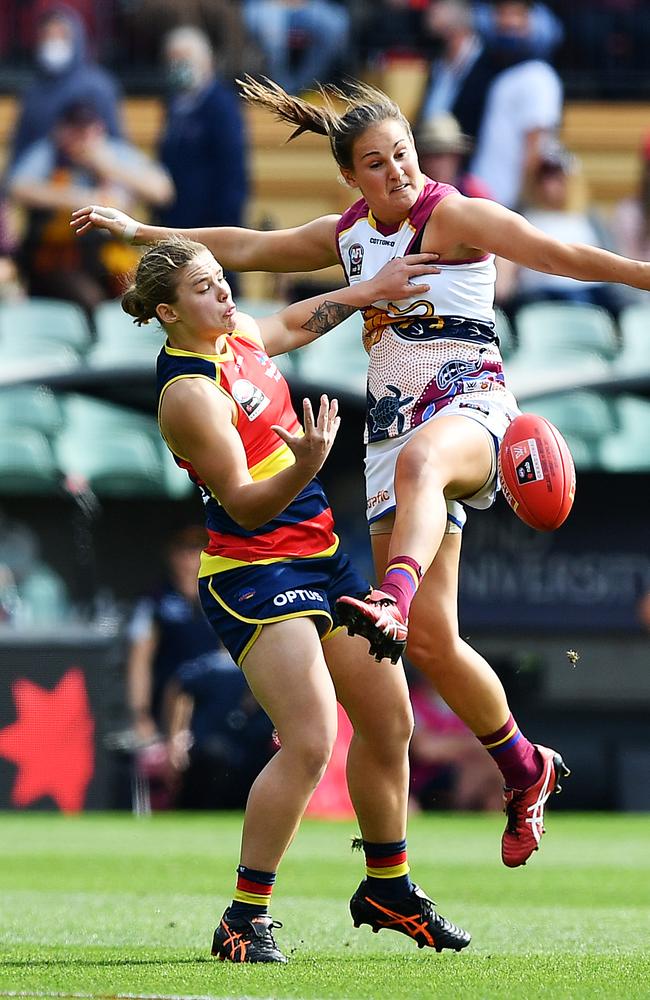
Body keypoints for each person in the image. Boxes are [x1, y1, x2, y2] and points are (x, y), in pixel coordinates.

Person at [70, 77, 650, 870]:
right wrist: (139, 228)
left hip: (469, 400)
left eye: (403, 155)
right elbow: (242, 245)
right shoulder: (349, 236)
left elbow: (566, 254)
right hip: (389, 429)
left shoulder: (452, 215)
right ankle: (524, 767)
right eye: (376, 164)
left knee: (421, 478)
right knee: (434, 646)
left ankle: (393, 595)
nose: (397, 173)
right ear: (351, 176)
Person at [117, 234, 469, 962]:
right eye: (206, 288)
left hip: (320, 554)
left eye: (221, 280)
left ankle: (388, 887)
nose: (225, 293)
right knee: (310, 739)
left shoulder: (236, 334)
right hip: (251, 573)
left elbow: (290, 324)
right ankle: (243, 918)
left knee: (389, 720)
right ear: (167, 312)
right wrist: (307, 460)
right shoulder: (187, 394)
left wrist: (372, 291)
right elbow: (244, 504)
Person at [8, 98, 173, 317]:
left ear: (100, 129)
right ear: (61, 131)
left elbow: (163, 191)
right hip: (60, 259)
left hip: (111, 254)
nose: (82, 138)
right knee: (89, 299)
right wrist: (78, 198)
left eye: (88, 130)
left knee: (147, 292)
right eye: (75, 130)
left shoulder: (113, 153)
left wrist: (109, 168)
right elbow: (19, 187)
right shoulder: (49, 154)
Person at [157, 27, 248, 292]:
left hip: (214, 225)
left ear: (206, 61)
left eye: (184, 59)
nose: (177, 66)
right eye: (172, 60)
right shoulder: (174, 104)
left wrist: (224, 228)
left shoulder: (221, 106)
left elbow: (232, 171)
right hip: (178, 224)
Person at [495, 139, 623, 317]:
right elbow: (506, 272)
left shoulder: (589, 217)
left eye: (556, 177)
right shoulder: (521, 216)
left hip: (590, 294)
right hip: (540, 296)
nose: (549, 185)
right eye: (544, 178)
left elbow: (611, 262)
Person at [470, 0, 563, 209]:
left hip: (509, 203)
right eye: (502, 15)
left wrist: (522, 203)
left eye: (517, 16)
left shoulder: (539, 75)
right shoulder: (497, 73)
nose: (509, 23)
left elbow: (535, 146)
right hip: (484, 196)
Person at [8, 2, 122, 169]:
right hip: (41, 183)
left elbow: (117, 144)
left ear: (77, 38)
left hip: (89, 177)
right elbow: (20, 149)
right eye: (47, 36)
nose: (53, 42)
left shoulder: (99, 87)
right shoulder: (33, 93)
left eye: (61, 35)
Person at [163, 646, 276, 810]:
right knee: (214, 756)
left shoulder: (265, 667)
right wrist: (176, 736)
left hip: (251, 750)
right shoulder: (212, 667)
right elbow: (181, 688)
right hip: (213, 752)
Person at [415, 112, 493, 199]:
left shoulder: (475, 192)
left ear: (456, 157)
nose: (433, 164)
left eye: (440, 155)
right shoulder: (411, 195)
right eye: (427, 156)